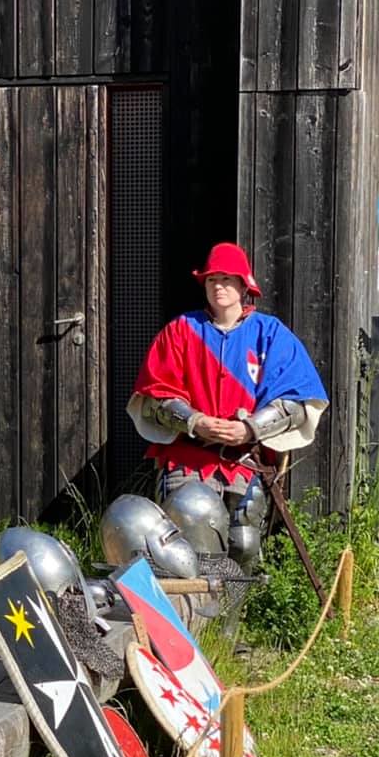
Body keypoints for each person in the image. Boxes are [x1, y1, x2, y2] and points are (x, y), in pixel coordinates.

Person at [126, 242, 329, 571]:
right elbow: (155, 398)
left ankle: (231, 622)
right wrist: (195, 422)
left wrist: (249, 428)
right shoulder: (181, 331)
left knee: (243, 545)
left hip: (244, 459)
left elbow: (295, 401)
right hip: (187, 456)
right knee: (184, 546)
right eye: (211, 280)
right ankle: (190, 620)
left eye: (226, 279)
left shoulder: (270, 333)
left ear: (243, 284)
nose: (218, 286)